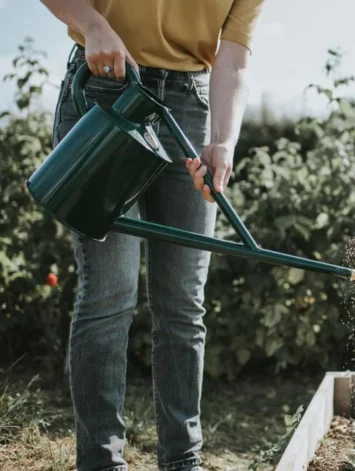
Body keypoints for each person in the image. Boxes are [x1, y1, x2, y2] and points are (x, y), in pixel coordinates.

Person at [39, 1, 264, 470]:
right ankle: (102, 462)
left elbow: (234, 53)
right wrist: (93, 24)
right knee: (109, 293)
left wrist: (223, 140)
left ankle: (183, 462)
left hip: (191, 105)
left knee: (183, 301)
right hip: (107, 85)